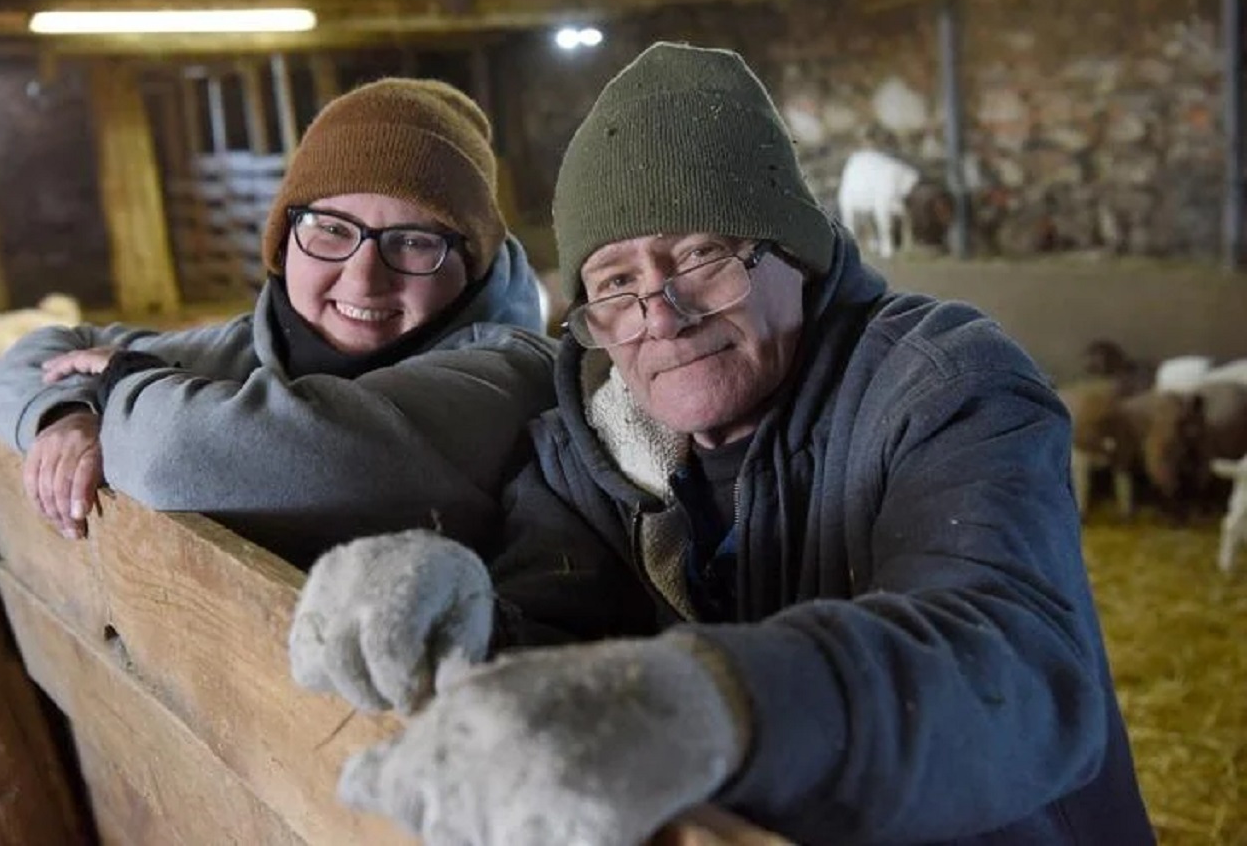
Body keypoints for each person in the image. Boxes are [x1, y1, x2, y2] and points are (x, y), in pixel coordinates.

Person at [288, 43, 1155, 845]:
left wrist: (713, 701)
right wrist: (461, 622)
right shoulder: (591, 453)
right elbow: (556, 632)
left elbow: (1014, 669)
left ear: (794, 253)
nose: (659, 315)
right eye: (615, 283)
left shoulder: (942, 384)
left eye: (700, 256)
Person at [0, 77, 556, 569]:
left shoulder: (505, 375)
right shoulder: (256, 342)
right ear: (285, 241)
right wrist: (66, 414)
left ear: (471, 264)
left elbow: (173, 455)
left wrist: (121, 385)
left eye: (412, 242)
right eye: (331, 229)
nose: (362, 279)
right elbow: (44, 352)